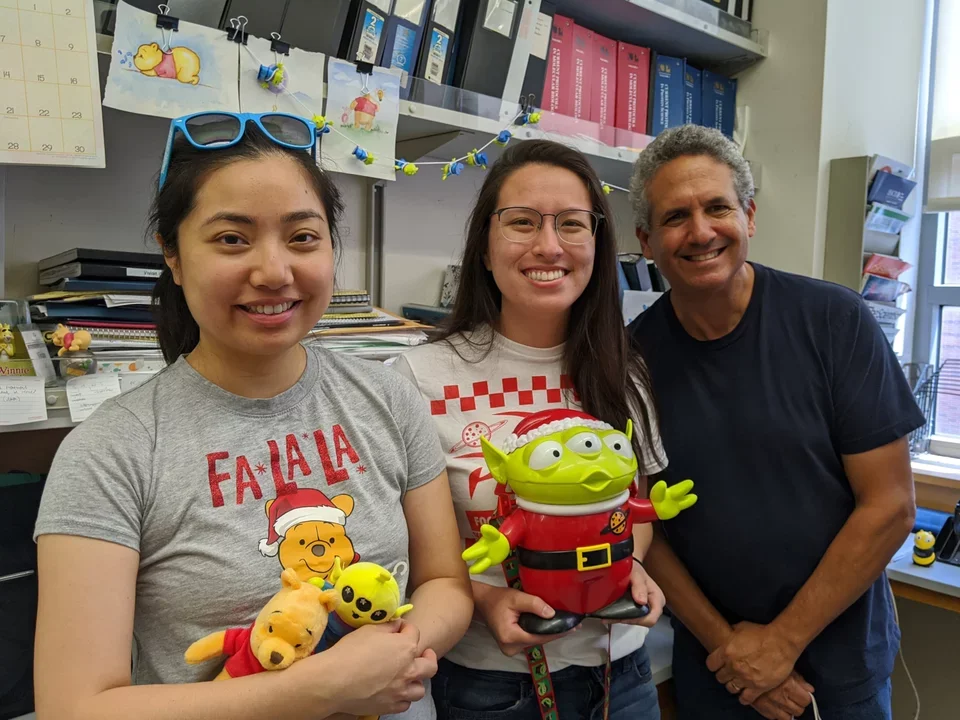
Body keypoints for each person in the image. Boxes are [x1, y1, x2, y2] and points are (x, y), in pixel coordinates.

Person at [32, 111, 473, 720]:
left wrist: (399, 654)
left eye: (302, 237)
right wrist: (324, 686)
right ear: (174, 255)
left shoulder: (388, 398)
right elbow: (73, 707)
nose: (274, 272)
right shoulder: (112, 450)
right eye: (232, 239)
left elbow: (444, 584)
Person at [628, 124, 925, 720]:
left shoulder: (835, 322)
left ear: (750, 216)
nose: (701, 231)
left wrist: (780, 644)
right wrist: (732, 652)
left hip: (839, 673)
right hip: (716, 669)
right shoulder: (629, 359)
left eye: (718, 208)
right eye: (675, 217)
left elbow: (890, 505)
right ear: (647, 240)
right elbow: (640, 523)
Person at [393, 139, 668, 720]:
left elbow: (635, 506)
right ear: (485, 250)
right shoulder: (414, 378)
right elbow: (404, 548)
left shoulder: (626, 369)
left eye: (572, 224)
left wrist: (633, 565)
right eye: (521, 223)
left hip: (625, 677)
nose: (548, 245)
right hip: (492, 688)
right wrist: (487, 600)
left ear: (597, 245)